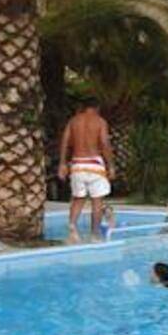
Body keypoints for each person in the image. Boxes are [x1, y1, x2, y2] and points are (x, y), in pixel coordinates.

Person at [57, 96, 115, 241]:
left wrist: (62, 163)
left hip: (77, 164)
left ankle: (72, 228)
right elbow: (104, 143)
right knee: (97, 201)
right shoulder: (100, 121)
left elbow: (65, 142)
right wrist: (111, 165)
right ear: (97, 108)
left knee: (78, 199)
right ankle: (95, 234)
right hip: (94, 165)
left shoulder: (73, 121)